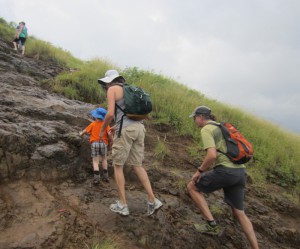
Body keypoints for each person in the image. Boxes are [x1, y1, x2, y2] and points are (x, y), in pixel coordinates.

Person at [186, 106, 259, 249]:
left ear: (201, 117)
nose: (194, 121)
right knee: (240, 213)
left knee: (192, 187)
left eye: (195, 118)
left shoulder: (206, 129)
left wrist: (199, 171)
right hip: (240, 173)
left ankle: (211, 225)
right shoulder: (221, 127)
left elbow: (212, 155)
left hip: (226, 171)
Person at [98, 69, 162, 216]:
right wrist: (116, 126)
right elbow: (128, 115)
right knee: (138, 166)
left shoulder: (112, 89)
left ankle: (123, 205)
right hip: (139, 129)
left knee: (118, 166)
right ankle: (153, 201)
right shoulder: (128, 90)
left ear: (109, 81)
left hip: (126, 131)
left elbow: (110, 114)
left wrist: (102, 131)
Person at [79, 107, 113, 184]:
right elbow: (110, 134)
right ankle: (106, 177)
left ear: (95, 116)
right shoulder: (106, 125)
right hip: (104, 143)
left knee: (95, 161)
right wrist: (111, 141)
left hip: (94, 143)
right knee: (104, 159)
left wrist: (80, 134)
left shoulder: (93, 124)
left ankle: (97, 179)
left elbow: (85, 131)